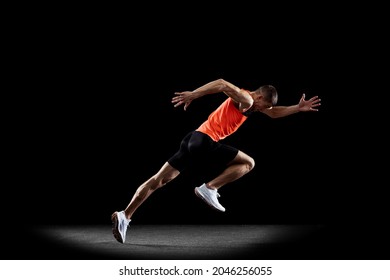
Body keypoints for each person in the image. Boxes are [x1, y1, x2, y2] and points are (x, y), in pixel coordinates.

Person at [111, 78, 321, 243]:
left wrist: (297, 108)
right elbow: (221, 83)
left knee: (158, 180)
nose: (261, 110)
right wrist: (194, 94)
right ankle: (209, 188)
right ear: (258, 97)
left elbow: (274, 113)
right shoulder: (247, 99)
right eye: (262, 106)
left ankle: (125, 215)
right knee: (248, 163)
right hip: (205, 141)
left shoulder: (254, 104)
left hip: (192, 138)